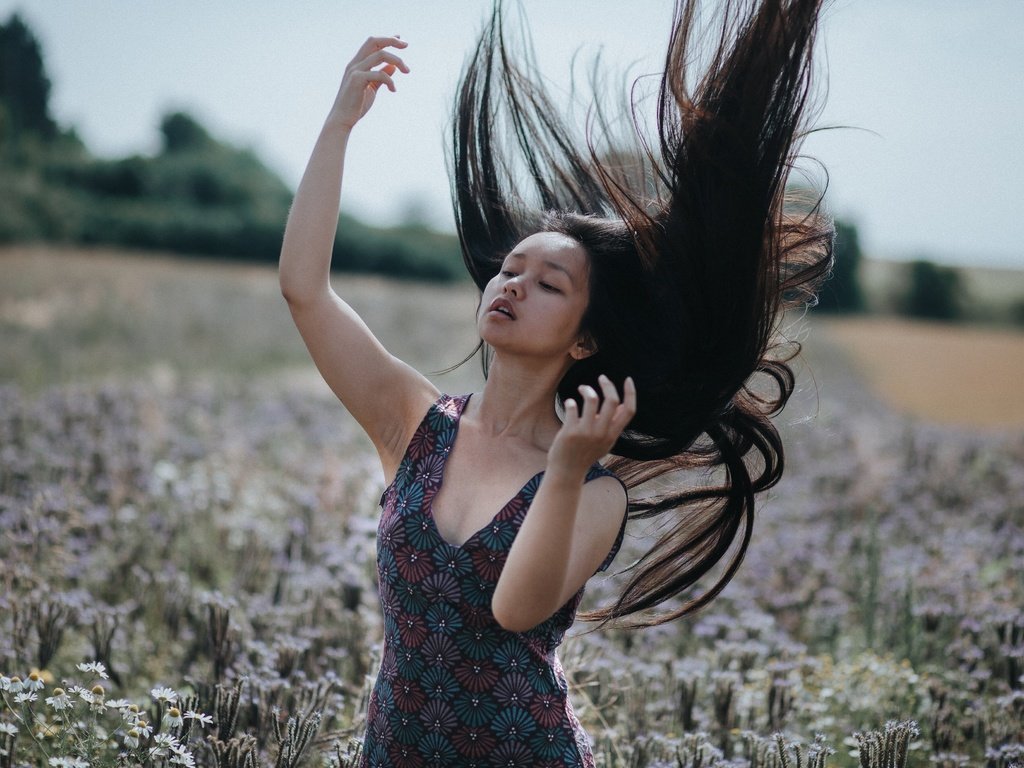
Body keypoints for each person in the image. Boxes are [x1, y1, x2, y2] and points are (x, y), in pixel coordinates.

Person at [279, 1, 833, 765]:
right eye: (509, 269)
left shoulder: (596, 494)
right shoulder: (413, 423)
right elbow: (305, 290)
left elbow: (515, 609)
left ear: (587, 338)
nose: (510, 284)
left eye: (547, 283)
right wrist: (339, 125)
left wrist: (566, 469)